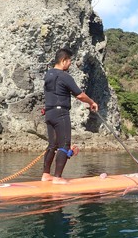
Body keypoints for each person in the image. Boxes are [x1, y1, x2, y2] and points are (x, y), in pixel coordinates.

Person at [41, 48, 98, 184]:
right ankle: (58, 177)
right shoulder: (64, 76)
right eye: (69, 61)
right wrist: (92, 102)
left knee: (52, 145)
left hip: (49, 113)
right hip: (61, 113)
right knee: (64, 145)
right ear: (63, 61)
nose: (70, 64)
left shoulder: (48, 75)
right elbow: (79, 95)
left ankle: (46, 175)